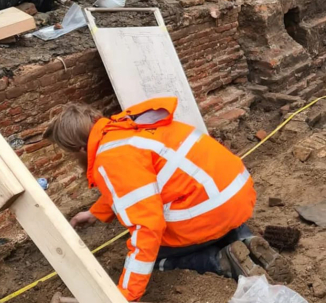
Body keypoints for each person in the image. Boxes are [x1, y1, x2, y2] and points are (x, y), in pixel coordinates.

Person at [44, 97, 291, 301]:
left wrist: (124, 295)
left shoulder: (110, 158)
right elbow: (137, 185)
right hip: (236, 196)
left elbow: (146, 227)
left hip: (209, 211)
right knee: (204, 211)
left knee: (155, 258)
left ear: (79, 149)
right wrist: (95, 213)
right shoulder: (129, 126)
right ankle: (244, 239)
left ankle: (220, 261)